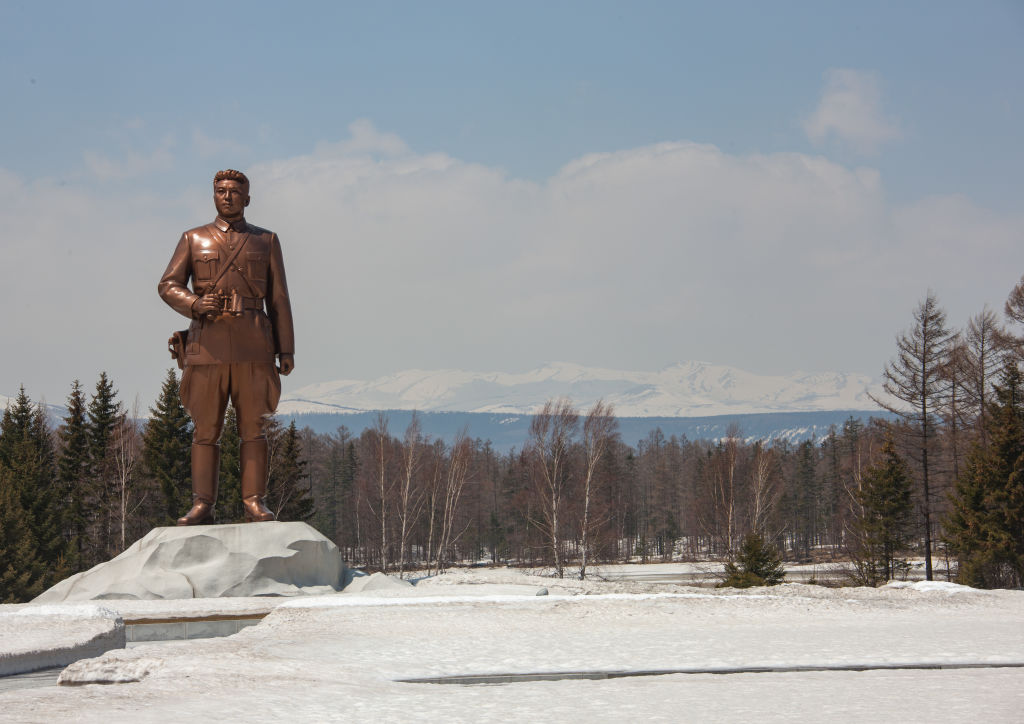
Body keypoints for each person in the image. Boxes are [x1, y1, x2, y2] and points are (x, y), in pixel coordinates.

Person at [158, 169, 294, 525]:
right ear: (213, 196)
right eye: (221, 191)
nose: (228, 196)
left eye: (235, 191)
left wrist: (286, 349)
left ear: (247, 198)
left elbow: (279, 299)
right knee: (205, 428)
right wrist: (193, 304)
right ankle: (202, 504)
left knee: (254, 427)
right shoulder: (193, 238)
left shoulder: (266, 241)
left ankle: (254, 501)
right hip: (207, 347)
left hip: (255, 346)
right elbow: (168, 284)